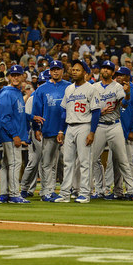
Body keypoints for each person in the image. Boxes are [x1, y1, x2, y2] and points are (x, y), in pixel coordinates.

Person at [91, 60, 133, 200]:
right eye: (103, 68)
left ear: (112, 72)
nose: (105, 70)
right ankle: (99, 190)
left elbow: (123, 104)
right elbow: (90, 108)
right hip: (99, 124)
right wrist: (100, 112)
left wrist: (128, 94)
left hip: (114, 125)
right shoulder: (93, 87)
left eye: (108, 68)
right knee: (93, 159)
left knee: (123, 159)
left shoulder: (117, 86)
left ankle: (132, 190)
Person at [54, 60, 100, 203]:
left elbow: (96, 112)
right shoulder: (69, 89)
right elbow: (63, 111)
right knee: (67, 161)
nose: (74, 72)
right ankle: (65, 193)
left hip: (84, 125)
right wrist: (61, 130)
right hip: (70, 126)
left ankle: (85, 193)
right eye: (73, 69)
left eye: (77, 70)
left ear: (85, 73)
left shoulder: (91, 89)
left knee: (85, 162)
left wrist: (92, 132)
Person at [0, 65, 42, 204]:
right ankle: (14, 194)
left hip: (11, 133)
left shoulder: (16, 92)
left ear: (23, 76)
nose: (16, 77)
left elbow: (19, 114)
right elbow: (5, 118)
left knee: (7, 164)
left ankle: (4, 193)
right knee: (15, 163)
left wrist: (31, 117)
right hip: (10, 135)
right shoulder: (7, 93)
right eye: (13, 75)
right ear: (9, 77)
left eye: (18, 74)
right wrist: (15, 135)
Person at [31, 60, 71, 201]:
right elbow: (36, 111)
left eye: (58, 69)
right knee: (48, 163)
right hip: (48, 130)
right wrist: (36, 128)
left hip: (67, 130)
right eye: (53, 69)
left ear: (62, 71)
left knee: (67, 163)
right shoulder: (41, 90)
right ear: (49, 71)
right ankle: (47, 191)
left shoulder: (69, 87)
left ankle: (68, 190)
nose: (55, 71)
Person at [112, 66, 133, 199]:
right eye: (118, 74)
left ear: (128, 77)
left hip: (130, 134)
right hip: (117, 133)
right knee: (115, 163)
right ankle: (118, 191)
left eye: (122, 75)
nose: (119, 76)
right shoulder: (116, 90)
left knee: (130, 162)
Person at [20, 71, 48, 197]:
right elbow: (26, 118)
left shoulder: (52, 96)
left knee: (48, 162)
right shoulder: (32, 98)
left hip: (49, 133)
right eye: (40, 83)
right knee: (34, 162)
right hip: (35, 132)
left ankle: (45, 190)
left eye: (45, 82)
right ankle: (25, 188)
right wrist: (27, 136)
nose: (42, 85)